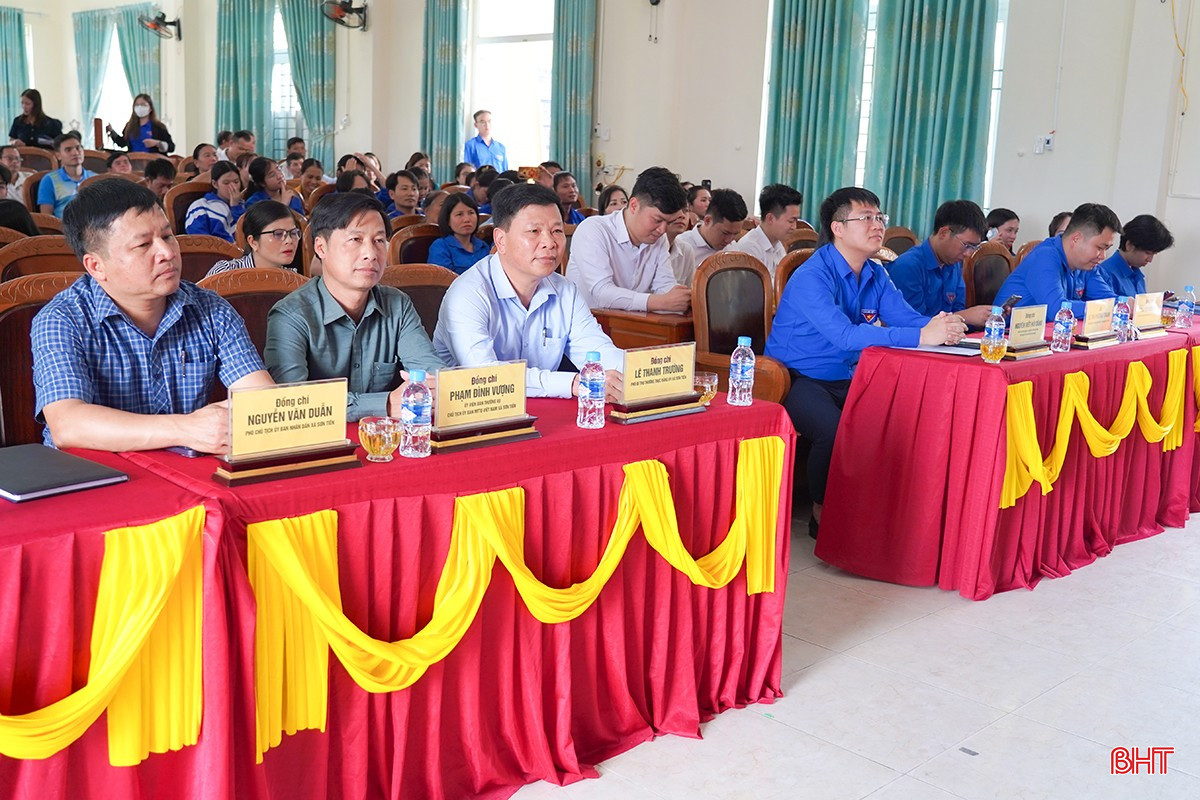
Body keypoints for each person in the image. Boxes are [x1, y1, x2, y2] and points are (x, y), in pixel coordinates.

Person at [766, 186, 965, 538]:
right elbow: (844, 335)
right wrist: (922, 335)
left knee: (901, 419)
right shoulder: (812, 276)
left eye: (879, 217)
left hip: (853, 375)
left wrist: (943, 326)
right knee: (833, 430)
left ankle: (883, 509)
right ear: (838, 228)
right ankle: (821, 512)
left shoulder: (875, 272)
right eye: (866, 218)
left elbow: (906, 318)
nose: (877, 225)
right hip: (796, 377)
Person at [30, 179, 272, 452]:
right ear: (96, 266)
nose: (167, 253)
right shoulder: (62, 320)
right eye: (143, 245)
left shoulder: (211, 309)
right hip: (95, 472)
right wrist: (185, 428)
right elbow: (68, 424)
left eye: (167, 237)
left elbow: (261, 401)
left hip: (184, 471)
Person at [264, 191, 445, 421]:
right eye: (355, 240)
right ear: (321, 248)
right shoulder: (291, 316)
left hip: (387, 436)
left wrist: (432, 389)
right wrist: (386, 404)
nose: (371, 254)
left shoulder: (397, 305)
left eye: (379, 241)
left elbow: (433, 376)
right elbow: (290, 402)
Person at [434, 182, 623, 399]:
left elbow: (600, 352)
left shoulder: (565, 291)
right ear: (501, 240)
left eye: (557, 231)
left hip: (541, 407)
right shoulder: (468, 294)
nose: (549, 243)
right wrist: (571, 383)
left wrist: (641, 373)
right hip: (473, 409)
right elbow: (484, 375)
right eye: (534, 231)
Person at [567, 166, 691, 313]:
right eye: (657, 220)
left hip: (632, 323)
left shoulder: (659, 239)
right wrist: (659, 302)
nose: (662, 230)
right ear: (633, 206)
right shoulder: (593, 230)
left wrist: (681, 298)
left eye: (669, 222)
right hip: (588, 322)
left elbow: (665, 286)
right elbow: (602, 293)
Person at [995, 202, 1123, 321]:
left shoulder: (1087, 264)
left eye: (1106, 249)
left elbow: (1110, 300)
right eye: (1100, 248)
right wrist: (1107, 308)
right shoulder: (1044, 257)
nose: (1103, 256)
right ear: (1076, 239)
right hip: (1006, 334)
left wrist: (1126, 304)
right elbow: (1057, 309)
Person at [887, 199, 994, 327]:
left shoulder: (954, 264)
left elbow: (958, 309)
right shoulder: (907, 267)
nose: (968, 254)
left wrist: (982, 317)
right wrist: (964, 317)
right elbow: (912, 323)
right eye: (966, 245)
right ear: (944, 233)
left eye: (974, 247)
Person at [1085, 214, 1174, 299]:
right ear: (1129, 245)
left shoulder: (1137, 273)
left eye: (1154, 254)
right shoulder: (1104, 274)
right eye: (1147, 253)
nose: (1150, 260)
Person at [205, 201, 300, 277]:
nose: (289, 241)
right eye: (278, 234)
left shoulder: (294, 279)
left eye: (293, 233)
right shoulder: (224, 273)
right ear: (253, 242)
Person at [728, 184, 802, 279]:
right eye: (791, 221)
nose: (794, 227)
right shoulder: (750, 248)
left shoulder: (778, 245)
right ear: (770, 218)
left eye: (796, 221)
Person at [675, 187, 748, 277]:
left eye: (735, 234)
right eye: (725, 233)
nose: (729, 240)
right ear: (707, 220)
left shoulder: (732, 249)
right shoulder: (681, 247)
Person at [37, 132, 96, 218]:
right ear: (58, 156)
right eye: (68, 150)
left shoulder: (95, 178)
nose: (75, 153)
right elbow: (46, 217)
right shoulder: (49, 180)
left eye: (78, 148)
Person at [427, 192, 488, 274]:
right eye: (459, 214)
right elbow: (442, 279)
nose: (467, 219)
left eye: (471, 213)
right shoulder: (440, 247)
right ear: (447, 220)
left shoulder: (483, 246)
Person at [185, 161, 245, 242]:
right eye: (226, 183)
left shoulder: (243, 206)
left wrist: (236, 207)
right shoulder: (200, 207)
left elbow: (247, 233)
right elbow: (199, 240)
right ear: (215, 184)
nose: (233, 187)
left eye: (236, 182)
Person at [105, 94, 174, 154]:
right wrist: (111, 131)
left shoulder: (158, 127)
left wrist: (157, 143)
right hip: (133, 161)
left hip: (153, 162)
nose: (140, 107)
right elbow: (122, 143)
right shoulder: (130, 126)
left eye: (143, 105)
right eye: (137, 105)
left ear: (150, 108)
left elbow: (171, 147)